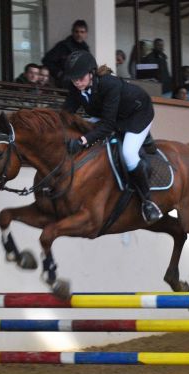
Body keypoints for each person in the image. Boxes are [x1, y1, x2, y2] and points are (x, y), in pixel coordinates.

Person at [61, 50, 163, 224]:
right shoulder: (76, 87)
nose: (77, 82)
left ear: (91, 73)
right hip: (109, 114)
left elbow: (108, 125)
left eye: (81, 77)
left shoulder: (110, 84)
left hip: (137, 114)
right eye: (73, 78)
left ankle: (148, 202)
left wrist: (83, 141)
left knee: (129, 155)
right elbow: (65, 114)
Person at [42, 20, 90, 87]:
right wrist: (59, 73)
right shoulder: (62, 46)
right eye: (77, 32)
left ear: (86, 34)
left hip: (80, 85)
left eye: (82, 32)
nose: (79, 34)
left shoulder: (86, 50)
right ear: (72, 32)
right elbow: (47, 60)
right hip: (64, 85)